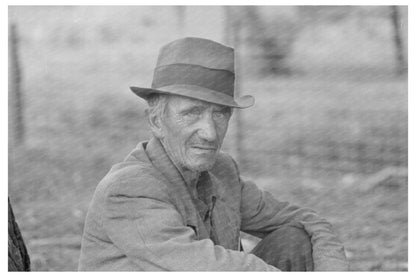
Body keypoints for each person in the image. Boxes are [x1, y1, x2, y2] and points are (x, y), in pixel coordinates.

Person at [78, 37, 348, 271]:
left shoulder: (221, 169)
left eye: (219, 113)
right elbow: (202, 267)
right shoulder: (129, 189)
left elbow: (310, 221)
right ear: (156, 121)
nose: (209, 132)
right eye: (191, 113)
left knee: (293, 239)